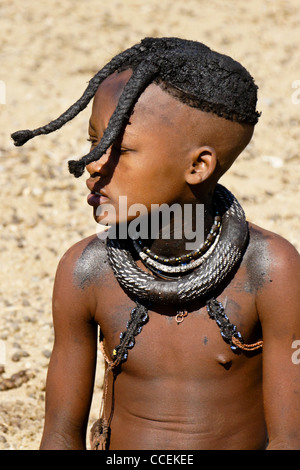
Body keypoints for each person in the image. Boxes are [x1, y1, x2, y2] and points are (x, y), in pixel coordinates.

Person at [12, 37, 300, 450]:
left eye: (121, 149)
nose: (93, 164)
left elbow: (290, 439)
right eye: (93, 141)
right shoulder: (87, 270)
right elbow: (59, 436)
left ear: (198, 166)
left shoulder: (269, 270)